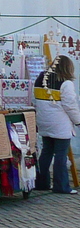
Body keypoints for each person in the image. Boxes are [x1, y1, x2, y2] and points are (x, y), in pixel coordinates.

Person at [33, 55, 80, 194]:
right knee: (60, 154)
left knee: (46, 152)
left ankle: (41, 183)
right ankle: (61, 186)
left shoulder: (41, 79)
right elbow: (70, 106)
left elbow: (34, 100)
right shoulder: (66, 83)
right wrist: (78, 121)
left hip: (43, 121)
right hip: (60, 123)